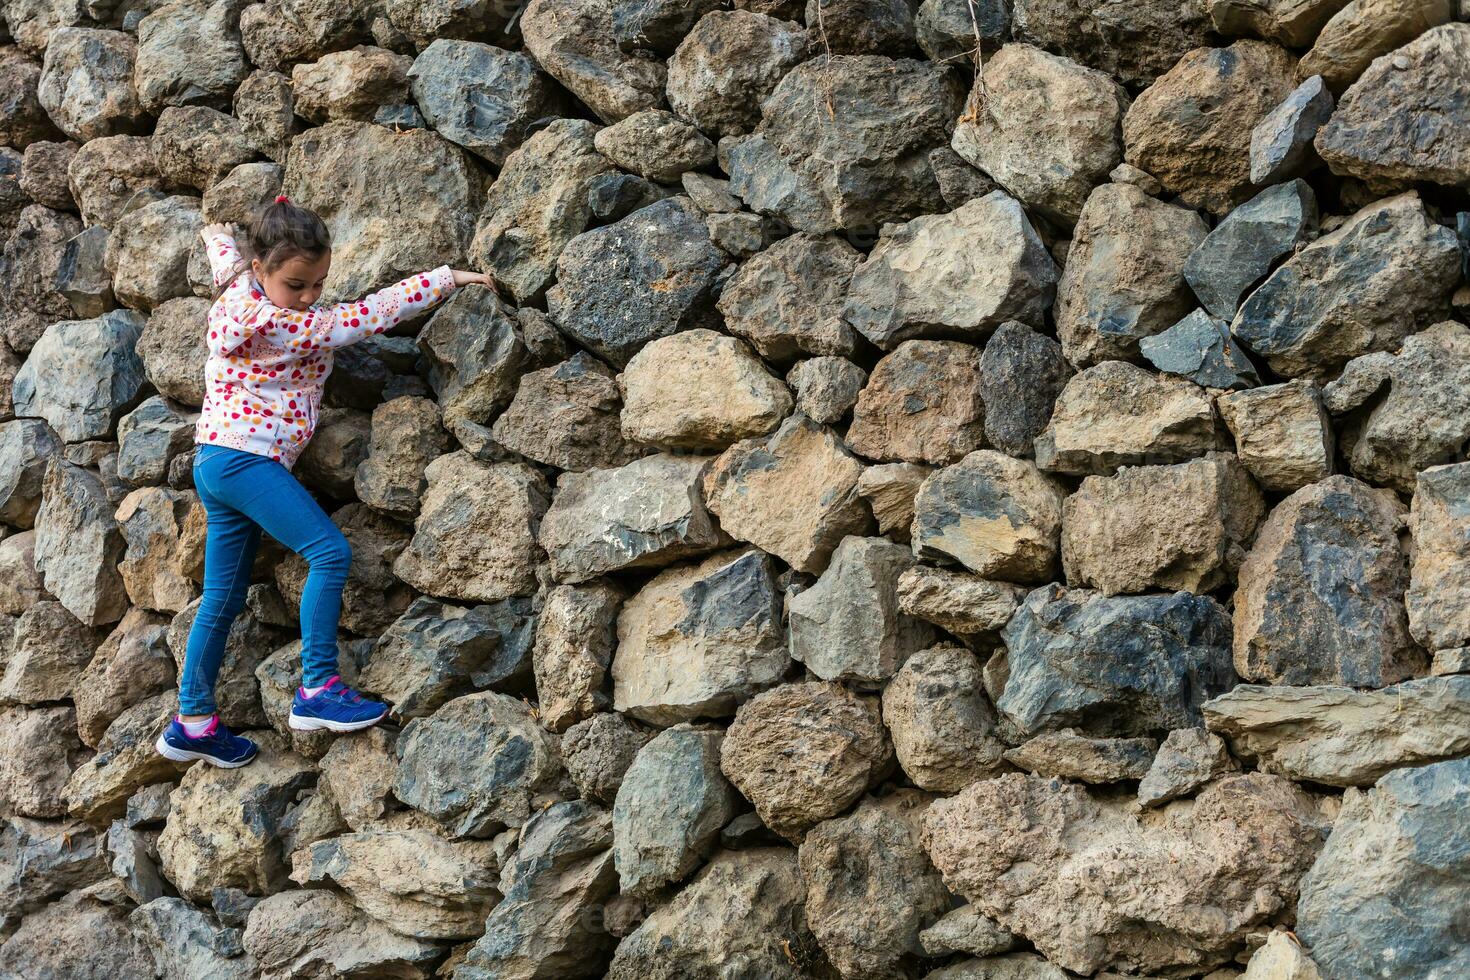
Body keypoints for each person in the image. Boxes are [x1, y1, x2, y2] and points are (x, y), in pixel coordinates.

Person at [155, 195, 494, 768]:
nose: (310, 296)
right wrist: (447, 279)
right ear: (263, 269)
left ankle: (193, 723)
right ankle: (316, 689)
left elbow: (225, 259)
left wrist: (215, 231)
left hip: (218, 460)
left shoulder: (241, 280)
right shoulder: (285, 324)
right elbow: (369, 315)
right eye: (298, 285)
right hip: (246, 459)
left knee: (222, 597)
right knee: (329, 553)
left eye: (318, 283)